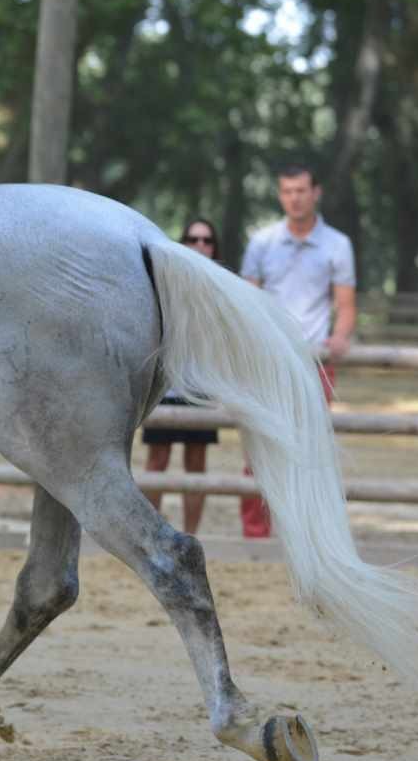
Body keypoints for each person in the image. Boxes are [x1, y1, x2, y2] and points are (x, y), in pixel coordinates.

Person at [237, 163, 355, 538]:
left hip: (314, 362)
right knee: (259, 448)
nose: (294, 198)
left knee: (312, 450)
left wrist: (340, 336)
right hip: (267, 360)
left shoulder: (337, 244)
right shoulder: (262, 243)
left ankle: (307, 532)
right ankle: (256, 531)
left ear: (315, 193)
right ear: (279, 195)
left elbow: (346, 305)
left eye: (301, 190)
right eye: (287, 191)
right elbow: (245, 299)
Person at [142, 218, 223, 534]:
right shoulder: (166, 279)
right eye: (193, 239)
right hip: (165, 384)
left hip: (201, 385)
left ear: (214, 246)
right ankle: (150, 534)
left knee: (196, 464)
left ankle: (192, 536)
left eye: (207, 240)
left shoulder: (221, 286)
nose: (200, 245)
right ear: (183, 242)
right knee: (157, 461)